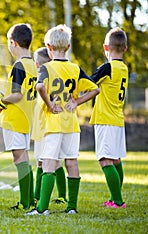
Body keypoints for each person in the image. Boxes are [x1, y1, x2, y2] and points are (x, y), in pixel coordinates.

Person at [25, 24, 100, 216]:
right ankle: (72, 207)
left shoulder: (46, 68)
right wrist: (77, 102)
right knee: (72, 162)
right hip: (71, 124)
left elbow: (40, 86)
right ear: (67, 47)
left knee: (49, 162)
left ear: (48, 47)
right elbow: (95, 89)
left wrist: (50, 104)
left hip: (53, 122)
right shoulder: (75, 68)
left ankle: (42, 209)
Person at [0, 23, 37, 210]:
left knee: (20, 160)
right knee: (24, 159)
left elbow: (17, 95)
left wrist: (0, 103)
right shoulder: (33, 65)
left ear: (13, 43)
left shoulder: (19, 65)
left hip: (15, 119)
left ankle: (25, 202)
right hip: (26, 118)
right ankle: (30, 199)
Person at [89, 27, 128, 208]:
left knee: (105, 160)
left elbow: (89, 82)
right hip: (118, 119)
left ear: (106, 47)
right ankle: (114, 198)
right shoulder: (124, 68)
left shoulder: (108, 67)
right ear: (125, 49)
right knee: (115, 160)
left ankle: (118, 201)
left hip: (105, 119)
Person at [32, 47, 67, 205]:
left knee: (45, 161)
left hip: (46, 127)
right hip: (51, 126)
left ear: (38, 65)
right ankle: (57, 195)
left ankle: (39, 195)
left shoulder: (44, 81)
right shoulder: (55, 77)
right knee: (53, 161)